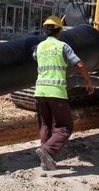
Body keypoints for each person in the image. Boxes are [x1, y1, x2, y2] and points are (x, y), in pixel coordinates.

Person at [33, 16, 94, 171]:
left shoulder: (39, 47)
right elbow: (79, 63)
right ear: (59, 31)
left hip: (40, 91)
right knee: (65, 126)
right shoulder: (62, 46)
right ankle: (47, 151)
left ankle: (45, 160)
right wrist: (88, 82)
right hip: (56, 92)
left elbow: (35, 57)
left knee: (45, 124)